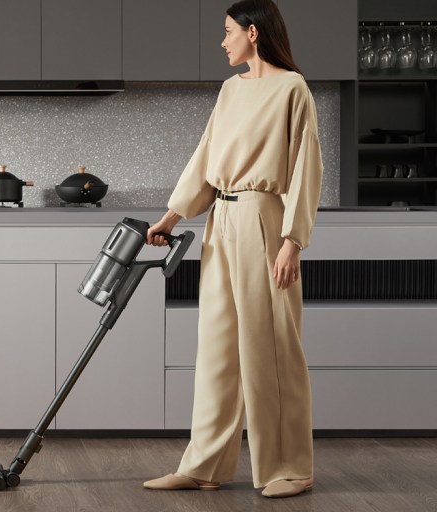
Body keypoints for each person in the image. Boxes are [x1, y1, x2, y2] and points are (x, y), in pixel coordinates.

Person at [142, 0, 322, 499]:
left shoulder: (293, 89)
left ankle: (290, 467)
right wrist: (173, 216)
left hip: (265, 220)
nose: (222, 42)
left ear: (253, 33)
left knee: (271, 348)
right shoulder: (229, 90)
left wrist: (292, 240)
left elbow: (307, 167)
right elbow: (205, 156)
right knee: (219, 348)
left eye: (227, 32)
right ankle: (204, 465)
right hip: (220, 222)